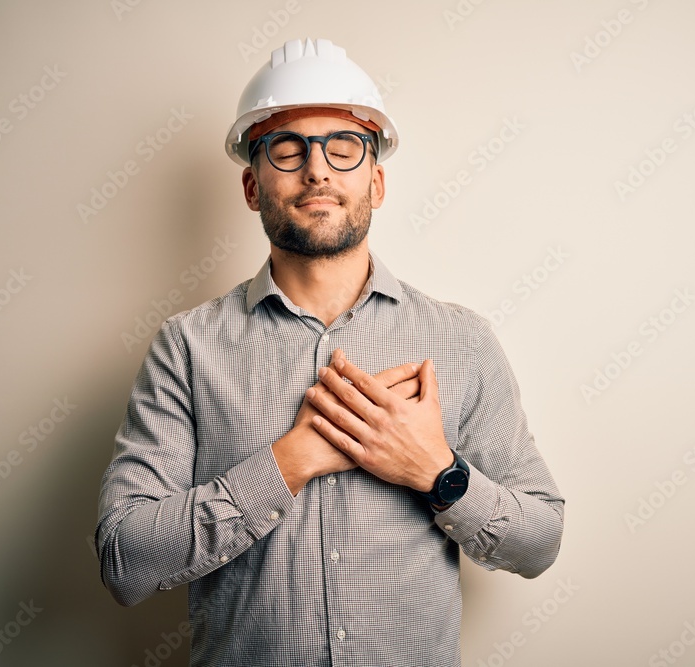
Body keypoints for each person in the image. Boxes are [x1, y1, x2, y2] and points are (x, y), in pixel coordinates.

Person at [96, 37, 564, 667]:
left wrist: (436, 471)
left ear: (375, 180)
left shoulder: (463, 343)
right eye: (286, 149)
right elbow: (126, 560)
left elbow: (539, 544)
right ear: (251, 186)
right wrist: (287, 463)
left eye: (341, 148)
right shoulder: (187, 348)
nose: (316, 169)